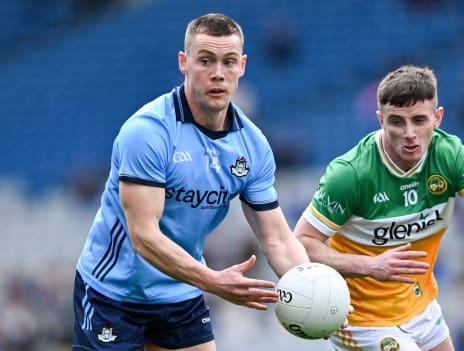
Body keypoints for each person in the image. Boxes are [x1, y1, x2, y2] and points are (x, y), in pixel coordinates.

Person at [72, 13, 309, 351]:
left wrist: (314, 288)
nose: (217, 73)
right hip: (115, 292)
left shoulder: (253, 146)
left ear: (242, 66)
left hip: (180, 289)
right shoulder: (148, 132)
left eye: (228, 62)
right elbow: (144, 236)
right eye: (205, 60)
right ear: (184, 62)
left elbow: (277, 239)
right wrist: (213, 281)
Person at [294, 65, 464, 351]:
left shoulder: (450, 156)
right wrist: (371, 265)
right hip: (361, 320)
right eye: (396, 122)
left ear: (437, 118)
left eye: (419, 120)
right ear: (380, 119)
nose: (409, 133)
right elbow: (303, 243)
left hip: (421, 307)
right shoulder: (350, 174)